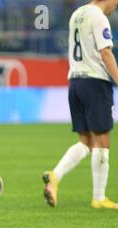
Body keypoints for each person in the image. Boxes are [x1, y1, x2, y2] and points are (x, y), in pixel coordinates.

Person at [43, 0, 118, 210]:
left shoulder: (77, 13)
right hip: (95, 81)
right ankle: (99, 197)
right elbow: (105, 52)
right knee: (102, 140)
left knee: (86, 141)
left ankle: (54, 176)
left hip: (75, 81)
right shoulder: (99, 17)